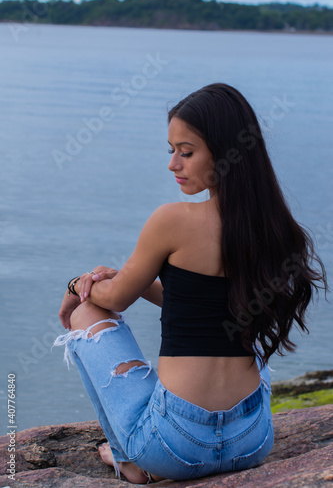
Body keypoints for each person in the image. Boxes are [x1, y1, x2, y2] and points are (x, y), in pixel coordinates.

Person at [54, 83, 327, 484]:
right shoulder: (272, 229)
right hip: (251, 443)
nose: (173, 165)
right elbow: (196, 303)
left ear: (225, 152)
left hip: (172, 446)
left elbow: (113, 299)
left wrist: (77, 283)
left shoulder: (172, 219)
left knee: (87, 311)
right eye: (172, 151)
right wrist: (139, 278)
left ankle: (129, 459)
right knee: (245, 327)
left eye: (187, 152)